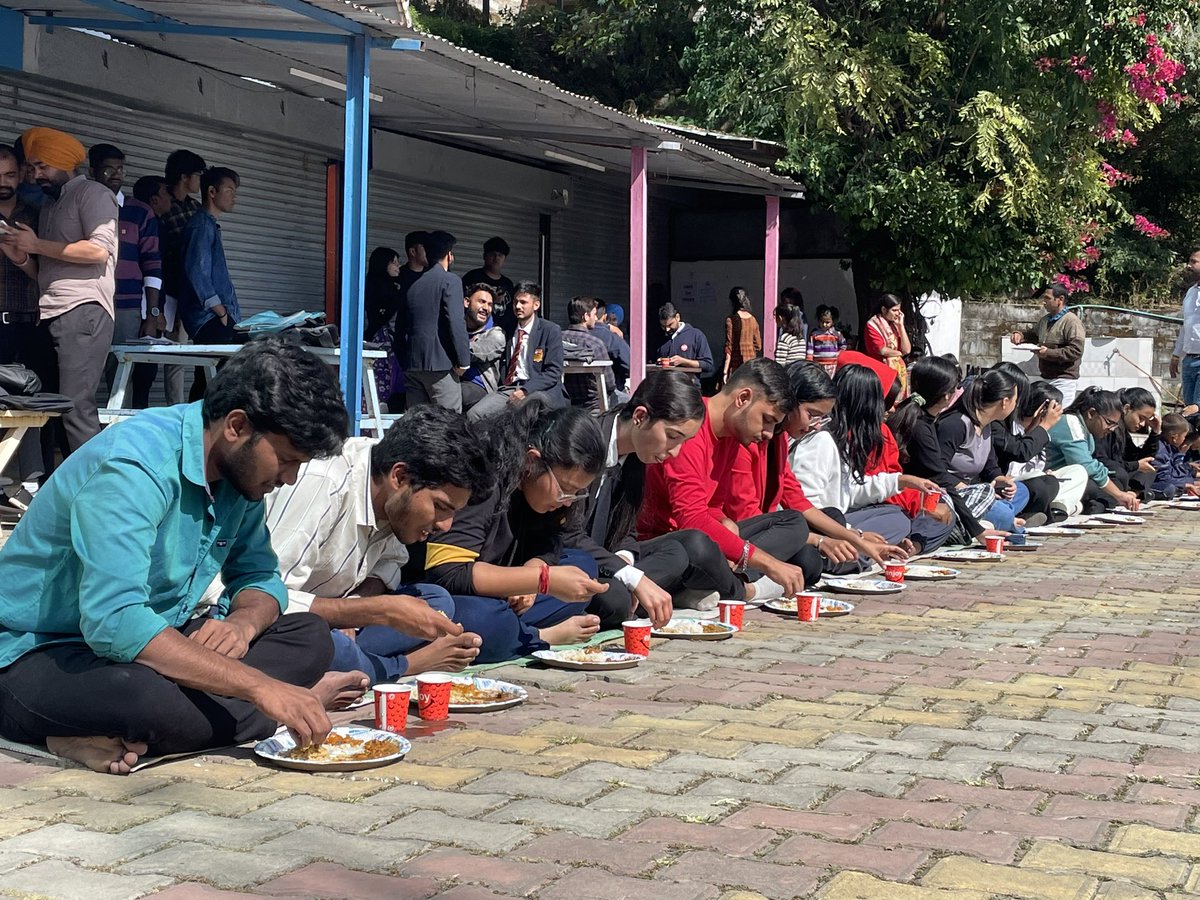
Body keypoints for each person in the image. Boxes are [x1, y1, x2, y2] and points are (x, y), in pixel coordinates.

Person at [0, 337, 362, 775]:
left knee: (310, 636)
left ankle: (144, 725)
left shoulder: (237, 475)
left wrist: (241, 625)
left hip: (154, 642)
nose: (288, 479)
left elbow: (260, 577)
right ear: (236, 426)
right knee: (141, 697)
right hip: (43, 650)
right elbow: (116, 623)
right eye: (286, 460)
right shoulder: (134, 466)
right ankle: (270, 707)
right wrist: (260, 687)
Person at [206, 405, 496, 685]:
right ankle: (405, 665)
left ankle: (352, 666)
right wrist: (369, 612)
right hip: (272, 620)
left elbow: (387, 565)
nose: (445, 525)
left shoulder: (391, 498)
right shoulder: (323, 482)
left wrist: (357, 606)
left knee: (436, 601)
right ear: (400, 477)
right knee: (326, 644)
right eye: (441, 507)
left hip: (336, 616)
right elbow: (262, 596)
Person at [411, 403, 607, 662]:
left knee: (583, 566)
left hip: (507, 592)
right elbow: (449, 573)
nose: (568, 501)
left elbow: (551, 542)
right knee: (485, 620)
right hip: (454, 594)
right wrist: (539, 580)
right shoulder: (484, 479)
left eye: (576, 493)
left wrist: (533, 572)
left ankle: (518, 632)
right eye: (564, 489)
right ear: (532, 461)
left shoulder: (544, 496)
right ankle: (539, 635)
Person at [638, 358, 824, 599]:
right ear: (743, 398)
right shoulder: (691, 427)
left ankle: (707, 587)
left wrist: (724, 521)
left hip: (703, 538)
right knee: (698, 543)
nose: (768, 433)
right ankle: (742, 591)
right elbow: (691, 518)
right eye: (767, 419)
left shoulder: (732, 436)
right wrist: (768, 563)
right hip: (671, 543)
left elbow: (712, 505)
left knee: (796, 529)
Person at [726, 360, 909, 573]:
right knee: (805, 548)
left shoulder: (779, 441)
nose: (815, 424)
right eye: (811, 414)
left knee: (829, 524)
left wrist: (857, 539)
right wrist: (823, 541)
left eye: (821, 417)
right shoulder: (750, 438)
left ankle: (851, 555)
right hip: (751, 529)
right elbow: (748, 513)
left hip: (774, 526)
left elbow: (798, 500)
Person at [0, 127, 117, 461]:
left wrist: (36, 244)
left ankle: (94, 490)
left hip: (83, 309)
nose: (36, 175)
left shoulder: (92, 194)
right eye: (33, 168)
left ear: (64, 163)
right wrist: (21, 256)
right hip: (50, 313)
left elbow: (98, 251)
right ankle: (60, 489)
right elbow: (45, 273)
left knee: (75, 407)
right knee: (52, 407)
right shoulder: (51, 206)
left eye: (43, 167)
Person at [790, 362, 951, 554]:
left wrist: (903, 481)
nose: (888, 412)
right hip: (826, 526)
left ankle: (889, 548)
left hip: (848, 516)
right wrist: (856, 535)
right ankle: (865, 552)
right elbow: (806, 505)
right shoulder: (820, 440)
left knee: (913, 517)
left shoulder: (841, 438)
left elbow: (852, 490)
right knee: (897, 520)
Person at [890, 356, 1009, 547]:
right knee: (952, 512)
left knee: (985, 495)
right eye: (956, 389)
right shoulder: (921, 426)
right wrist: (977, 531)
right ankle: (951, 532)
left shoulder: (920, 418)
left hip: (926, 494)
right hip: (916, 498)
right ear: (947, 396)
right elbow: (941, 477)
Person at [89, 144, 164, 410]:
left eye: (121, 168)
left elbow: (153, 263)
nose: (117, 175)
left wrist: (152, 314)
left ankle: (121, 440)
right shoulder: (83, 205)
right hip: (89, 304)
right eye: (109, 169)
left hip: (128, 308)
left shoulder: (140, 211)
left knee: (122, 379)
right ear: (92, 171)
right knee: (83, 375)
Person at [0, 145, 44, 500]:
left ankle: (29, 483)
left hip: (28, 322)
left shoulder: (35, 215)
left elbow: (44, 275)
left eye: (10, 175)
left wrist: (20, 258)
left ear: (21, 175)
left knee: (31, 401)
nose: (3, 182)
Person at [466, 281, 568, 421]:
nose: (518, 306)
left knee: (526, 413)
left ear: (536, 305)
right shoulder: (508, 328)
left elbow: (554, 372)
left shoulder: (550, 330)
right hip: (510, 388)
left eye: (523, 302)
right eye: (515, 302)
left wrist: (526, 390)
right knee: (474, 415)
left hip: (539, 389)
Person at [395, 230, 471, 413]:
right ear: (449, 255)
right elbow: (455, 321)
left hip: (413, 364)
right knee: (448, 425)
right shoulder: (450, 280)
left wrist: (404, 361)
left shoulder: (414, 284)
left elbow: (399, 327)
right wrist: (463, 361)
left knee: (418, 426)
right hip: (442, 365)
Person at [157, 150, 208, 404]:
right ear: (184, 176)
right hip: (164, 292)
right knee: (159, 354)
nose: (201, 181)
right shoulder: (162, 202)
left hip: (189, 293)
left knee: (181, 353)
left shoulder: (194, 208)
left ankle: (177, 409)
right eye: (198, 175)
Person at [1001, 379, 1088, 519]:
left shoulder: (1041, 431)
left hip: (1039, 481)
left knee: (1078, 472)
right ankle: (1058, 509)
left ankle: (1057, 508)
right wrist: (1044, 424)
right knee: (1040, 481)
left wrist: (1046, 475)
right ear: (1043, 409)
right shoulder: (1011, 426)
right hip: (1015, 484)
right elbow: (1016, 463)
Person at [1045, 387, 1141, 512]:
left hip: (1067, 479)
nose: (1111, 429)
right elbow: (1085, 464)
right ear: (1092, 414)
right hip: (1051, 478)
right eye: (1109, 423)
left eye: (1115, 425)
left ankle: (1087, 505)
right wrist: (1119, 494)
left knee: (1116, 481)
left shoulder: (1086, 430)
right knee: (1094, 487)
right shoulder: (1071, 423)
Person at [178, 166, 241, 346]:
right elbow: (197, 272)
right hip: (209, 318)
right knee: (216, 372)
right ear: (212, 192)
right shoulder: (201, 226)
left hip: (215, 317)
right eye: (229, 191)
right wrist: (220, 312)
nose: (233, 197)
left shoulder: (209, 225)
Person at [1009, 283, 1086, 406]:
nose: (1044, 302)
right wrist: (1021, 336)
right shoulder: (1045, 320)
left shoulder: (1072, 321)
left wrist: (1048, 353)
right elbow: (1034, 335)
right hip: (1046, 378)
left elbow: (1076, 351)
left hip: (1064, 380)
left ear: (1060, 299)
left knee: (1058, 416)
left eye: (1047, 298)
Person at [1092, 386, 1160, 501]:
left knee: (1149, 471)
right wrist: (1136, 465)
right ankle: (1128, 494)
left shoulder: (1123, 432)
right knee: (1120, 474)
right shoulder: (1107, 428)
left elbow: (1139, 458)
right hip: (1106, 474)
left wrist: (1155, 432)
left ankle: (1133, 493)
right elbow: (1102, 460)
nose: (1142, 424)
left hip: (1119, 474)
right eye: (1141, 418)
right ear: (1127, 409)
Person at [562, 295, 615, 412]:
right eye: (594, 314)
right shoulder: (595, 344)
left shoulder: (556, 339)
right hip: (593, 406)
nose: (595, 318)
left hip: (563, 405)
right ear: (586, 316)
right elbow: (610, 384)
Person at [461, 283, 506, 412]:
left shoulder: (496, 334)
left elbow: (475, 353)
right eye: (481, 302)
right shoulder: (456, 328)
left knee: (452, 393)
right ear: (467, 302)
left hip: (480, 387)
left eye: (490, 304)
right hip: (452, 380)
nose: (486, 308)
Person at [863, 293, 910, 399]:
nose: (898, 314)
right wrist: (900, 353)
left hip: (898, 370)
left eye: (899, 310)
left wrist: (901, 326)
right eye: (894, 310)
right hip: (881, 370)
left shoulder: (895, 325)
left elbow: (907, 349)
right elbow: (882, 350)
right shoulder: (872, 325)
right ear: (884, 309)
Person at [461, 236, 515, 325]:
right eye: (493, 254)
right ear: (484, 256)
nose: (496, 258)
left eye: (500, 255)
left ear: (504, 259)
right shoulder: (472, 277)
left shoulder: (508, 284)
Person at [1170, 247, 1200, 407]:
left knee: (1196, 410)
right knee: (1190, 412)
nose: (1188, 266)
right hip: (1189, 360)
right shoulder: (1191, 292)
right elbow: (1186, 326)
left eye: (1194, 262)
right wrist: (1176, 355)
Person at [656, 302, 713, 384]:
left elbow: (708, 365)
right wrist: (659, 362)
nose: (667, 329)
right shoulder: (660, 337)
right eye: (663, 326)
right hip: (665, 387)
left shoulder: (696, 335)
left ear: (677, 317)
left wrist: (684, 361)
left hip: (688, 388)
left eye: (670, 325)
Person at [1150, 413, 1199, 499]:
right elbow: (1164, 478)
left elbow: (1172, 472)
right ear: (1175, 438)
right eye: (1184, 436)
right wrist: (1187, 484)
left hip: (1166, 481)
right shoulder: (1160, 450)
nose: (1184, 440)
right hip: (1154, 483)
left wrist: (1190, 481)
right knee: (1169, 489)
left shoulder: (1169, 448)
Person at [722, 287, 762, 386]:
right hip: (750, 365)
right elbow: (758, 345)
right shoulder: (753, 320)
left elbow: (729, 348)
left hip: (736, 366)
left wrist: (725, 372)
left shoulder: (731, 320)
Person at [363, 246, 402, 340]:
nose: (398, 267)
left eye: (398, 263)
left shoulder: (395, 284)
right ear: (383, 264)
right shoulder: (378, 288)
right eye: (394, 263)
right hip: (382, 338)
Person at [806, 304, 847, 376]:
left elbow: (843, 344)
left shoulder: (836, 334)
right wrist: (809, 362)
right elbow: (810, 349)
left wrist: (838, 353)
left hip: (832, 364)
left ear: (833, 322)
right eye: (822, 322)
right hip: (818, 364)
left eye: (827, 322)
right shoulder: (815, 334)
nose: (824, 324)